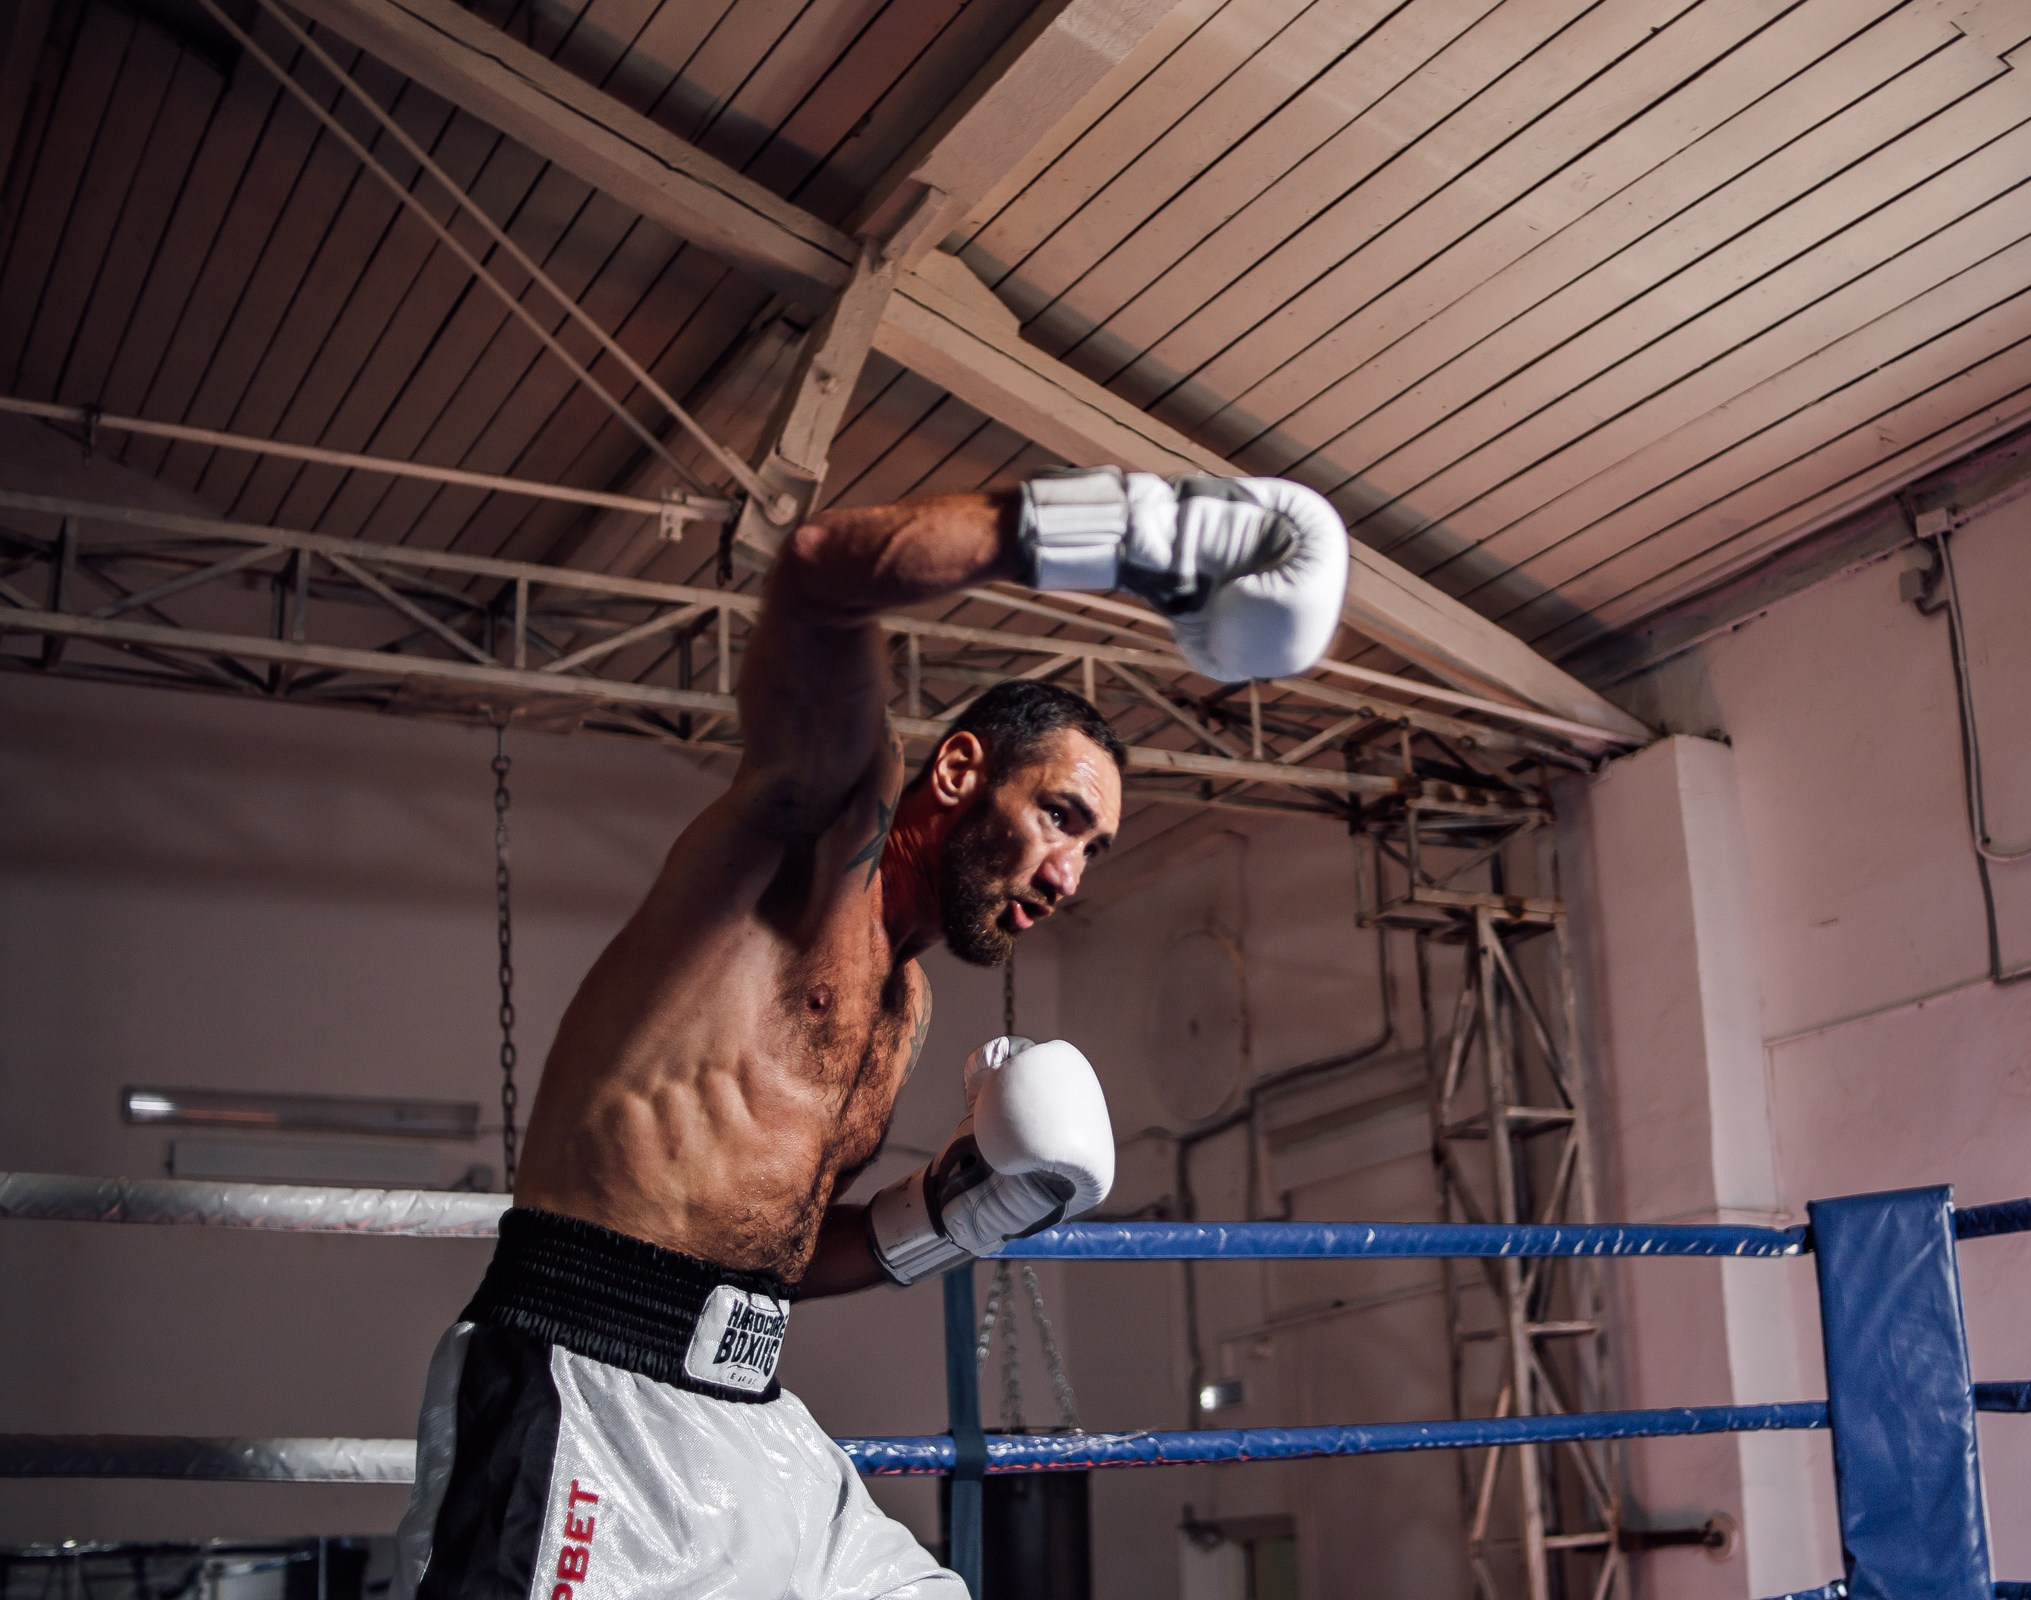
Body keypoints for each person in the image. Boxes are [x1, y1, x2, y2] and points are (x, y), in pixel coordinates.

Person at [394, 467, 1349, 1600]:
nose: (1070, 874)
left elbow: (779, 1253)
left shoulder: (906, 1006)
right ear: (958, 772)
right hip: (588, 1392)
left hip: (752, 1425)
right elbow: (819, 577)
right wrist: (1148, 535)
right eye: (1060, 817)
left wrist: (953, 1210)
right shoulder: (816, 832)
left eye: (1093, 850)